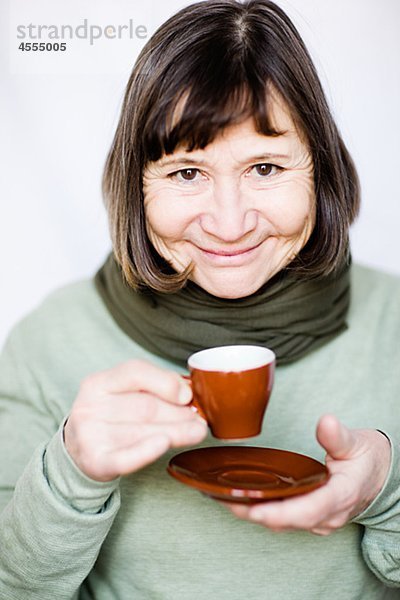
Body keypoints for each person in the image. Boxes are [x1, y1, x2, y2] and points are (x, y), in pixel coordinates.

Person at [0, 0, 399, 598]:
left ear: (322, 168)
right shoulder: (49, 340)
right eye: (187, 173)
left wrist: (386, 492)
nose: (230, 223)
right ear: (136, 185)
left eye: (265, 167)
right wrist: (71, 471)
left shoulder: (392, 321)